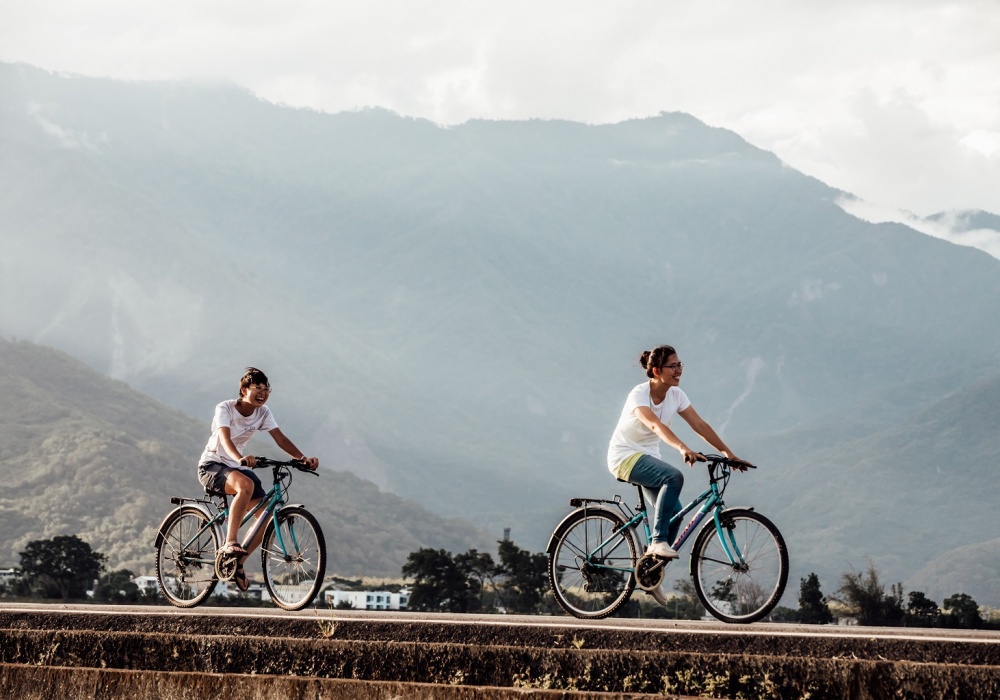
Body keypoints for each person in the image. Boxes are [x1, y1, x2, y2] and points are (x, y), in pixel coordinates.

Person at [607, 345, 744, 560]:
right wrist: (683, 448)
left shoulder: (676, 395)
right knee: (673, 477)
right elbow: (655, 425)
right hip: (624, 456)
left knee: (675, 515)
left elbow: (699, 425)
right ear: (656, 371)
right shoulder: (639, 394)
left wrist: (728, 453)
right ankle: (657, 542)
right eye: (672, 366)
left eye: (679, 365)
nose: (678, 370)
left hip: (649, 458)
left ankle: (652, 569)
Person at [197, 367, 319, 591]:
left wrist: (302, 459)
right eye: (257, 388)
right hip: (212, 466)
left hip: (237, 467)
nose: (263, 393)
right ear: (244, 390)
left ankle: (237, 562)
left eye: (266, 389)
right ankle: (230, 542)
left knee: (267, 517)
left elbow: (280, 439)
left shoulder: (263, 413)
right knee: (246, 484)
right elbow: (224, 438)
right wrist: (240, 458)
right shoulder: (225, 408)